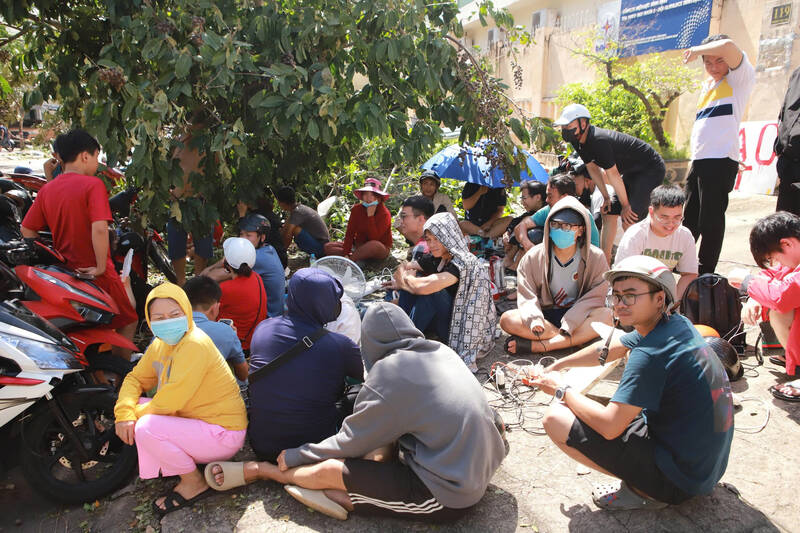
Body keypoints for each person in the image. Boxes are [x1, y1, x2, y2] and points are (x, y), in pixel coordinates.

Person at [205, 302, 506, 523]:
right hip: (478, 462)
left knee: (330, 474)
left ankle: (263, 472)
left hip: (449, 495)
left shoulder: (388, 376)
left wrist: (298, 454)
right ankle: (340, 489)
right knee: (377, 443)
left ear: (370, 343)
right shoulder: (440, 351)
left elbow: (349, 442)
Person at [527, 255, 733, 510]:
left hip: (679, 481)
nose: (620, 304)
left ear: (659, 299)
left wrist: (560, 389)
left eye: (631, 296)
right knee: (593, 405)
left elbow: (610, 427)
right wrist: (557, 366)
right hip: (705, 470)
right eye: (616, 296)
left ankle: (644, 491)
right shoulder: (675, 325)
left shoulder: (650, 354)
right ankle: (650, 481)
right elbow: (611, 347)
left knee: (556, 417)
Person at [114, 283, 247, 516]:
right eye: (159, 318)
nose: (167, 321)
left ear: (186, 311)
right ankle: (177, 463)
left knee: (145, 426)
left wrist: (129, 417)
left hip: (223, 433)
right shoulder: (161, 344)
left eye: (175, 314)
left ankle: (194, 482)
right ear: (149, 320)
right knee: (137, 410)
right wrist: (124, 413)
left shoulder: (194, 344)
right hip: (198, 423)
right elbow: (135, 378)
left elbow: (168, 403)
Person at [21, 129, 138, 359]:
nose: (97, 163)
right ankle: (121, 373)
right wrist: (101, 267)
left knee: (84, 328)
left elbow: (27, 230)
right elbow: (99, 228)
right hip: (95, 272)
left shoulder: (48, 189)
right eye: (96, 157)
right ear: (85, 156)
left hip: (65, 274)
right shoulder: (92, 185)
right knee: (128, 319)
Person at [243, 268, 363, 461]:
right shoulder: (341, 346)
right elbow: (358, 379)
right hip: (314, 448)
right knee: (359, 392)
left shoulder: (263, 329)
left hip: (262, 445)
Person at [682, 35, 755, 274]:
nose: (713, 67)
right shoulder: (708, 86)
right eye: (708, 62)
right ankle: (683, 263)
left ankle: (706, 272)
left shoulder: (738, 78)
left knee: (710, 220)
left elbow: (728, 46)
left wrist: (695, 50)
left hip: (719, 160)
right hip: (700, 160)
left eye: (719, 61)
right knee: (690, 218)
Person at [501, 197, 611, 355]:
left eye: (567, 226)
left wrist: (571, 321)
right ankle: (574, 341)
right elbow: (527, 295)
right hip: (544, 317)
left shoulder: (595, 257)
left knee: (607, 316)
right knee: (507, 320)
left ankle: (542, 346)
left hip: (579, 315)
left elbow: (596, 296)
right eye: (555, 225)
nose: (560, 230)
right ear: (548, 226)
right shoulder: (533, 256)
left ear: (581, 230)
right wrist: (534, 318)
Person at [389, 212, 495, 371]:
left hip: (461, 330)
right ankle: (402, 332)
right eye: (428, 240)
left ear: (448, 237)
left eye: (437, 239)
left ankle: (405, 342)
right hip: (447, 320)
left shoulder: (462, 264)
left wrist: (406, 279)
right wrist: (407, 279)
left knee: (431, 291)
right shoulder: (439, 257)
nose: (432, 244)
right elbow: (406, 266)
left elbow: (424, 287)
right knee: (413, 284)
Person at [554, 104, 665, 252]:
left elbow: (612, 174)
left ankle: (636, 261)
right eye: (563, 127)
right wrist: (606, 197)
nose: (565, 130)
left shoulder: (599, 140)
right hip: (631, 172)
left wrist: (626, 206)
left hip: (650, 169)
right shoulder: (577, 141)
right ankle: (604, 262)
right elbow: (592, 169)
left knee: (629, 218)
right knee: (609, 212)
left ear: (583, 123)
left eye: (568, 126)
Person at [740, 213, 800, 391]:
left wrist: (747, 281)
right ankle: (790, 356)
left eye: (773, 258)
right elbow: (771, 274)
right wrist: (754, 298)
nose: (775, 263)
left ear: (786, 244)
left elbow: (780, 298)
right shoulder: (793, 258)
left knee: (779, 309)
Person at [615, 185, 698, 301]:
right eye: (664, 218)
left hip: (663, 295)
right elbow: (621, 276)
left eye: (677, 218)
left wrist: (673, 302)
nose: (671, 224)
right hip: (632, 295)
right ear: (651, 212)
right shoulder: (636, 235)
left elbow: (689, 274)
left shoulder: (685, 236)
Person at [202, 213, 285, 317]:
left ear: (262, 237)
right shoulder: (268, 249)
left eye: (248, 235)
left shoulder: (257, 258)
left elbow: (210, 278)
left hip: (268, 316)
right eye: (241, 234)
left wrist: (217, 265)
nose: (243, 239)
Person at [167, 127, 216, 286]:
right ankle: (181, 282)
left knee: (203, 245)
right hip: (177, 201)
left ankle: (198, 281)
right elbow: (168, 167)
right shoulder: (177, 140)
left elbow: (215, 168)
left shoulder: (209, 141)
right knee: (176, 244)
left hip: (201, 202)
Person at [183, 275, 248, 382]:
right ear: (214, 308)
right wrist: (232, 338)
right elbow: (243, 375)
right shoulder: (226, 332)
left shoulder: (165, 332)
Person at [515, 174, 601, 251]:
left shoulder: (583, 215)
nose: (546, 200)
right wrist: (529, 246)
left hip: (581, 259)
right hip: (552, 259)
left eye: (550, 196)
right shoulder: (549, 209)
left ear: (564, 197)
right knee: (534, 235)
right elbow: (521, 226)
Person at [324, 178, 392, 262]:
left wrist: (370, 216)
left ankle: (350, 261)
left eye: (372, 195)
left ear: (379, 197)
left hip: (378, 249)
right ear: (362, 196)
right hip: (359, 246)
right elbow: (350, 233)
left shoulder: (385, 214)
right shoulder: (357, 209)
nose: (368, 198)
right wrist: (346, 252)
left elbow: (374, 238)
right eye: (365, 194)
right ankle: (354, 258)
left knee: (373, 245)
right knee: (328, 247)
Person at [218, 237, 267, 351]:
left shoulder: (225, 289)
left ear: (227, 264)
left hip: (237, 345)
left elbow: (210, 313)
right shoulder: (257, 278)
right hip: (254, 340)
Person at [502, 180, 546, 271]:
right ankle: (509, 260)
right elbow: (516, 221)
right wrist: (508, 232)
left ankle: (517, 266)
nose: (522, 202)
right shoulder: (532, 211)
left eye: (524, 198)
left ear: (538, 197)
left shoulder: (547, 210)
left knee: (530, 233)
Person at [774, 66, 800, 216]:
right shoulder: (797, 73)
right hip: (789, 163)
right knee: (785, 224)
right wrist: (779, 146)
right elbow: (786, 111)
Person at [275, 186, 330, 258]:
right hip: (321, 244)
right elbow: (285, 228)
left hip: (321, 248)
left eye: (278, 202)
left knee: (294, 230)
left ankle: (280, 255)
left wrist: (281, 253)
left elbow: (288, 235)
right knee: (286, 226)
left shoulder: (298, 212)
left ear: (283, 203)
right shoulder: (297, 209)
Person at [238, 193, 288, 268]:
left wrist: (241, 214)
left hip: (275, 260)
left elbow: (241, 240)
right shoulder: (268, 214)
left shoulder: (258, 218)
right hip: (280, 258)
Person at [394, 195, 434, 261]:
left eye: (404, 216)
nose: (401, 221)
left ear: (420, 219)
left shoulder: (423, 249)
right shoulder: (435, 241)